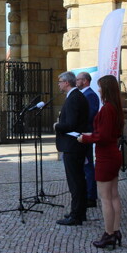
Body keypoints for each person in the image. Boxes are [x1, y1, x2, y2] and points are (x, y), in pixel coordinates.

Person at [78, 75, 124, 249]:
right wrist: (90, 135)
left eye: (100, 87)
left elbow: (102, 136)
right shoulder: (116, 108)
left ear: (106, 89)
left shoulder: (107, 109)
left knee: (105, 198)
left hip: (106, 156)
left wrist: (85, 139)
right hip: (114, 153)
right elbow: (111, 134)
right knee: (114, 195)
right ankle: (116, 230)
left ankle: (109, 234)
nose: (99, 90)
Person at [53, 71, 89, 226]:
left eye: (60, 82)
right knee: (77, 180)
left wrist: (57, 126)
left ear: (67, 82)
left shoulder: (74, 98)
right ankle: (79, 212)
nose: (59, 84)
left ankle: (76, 215)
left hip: (73, 146)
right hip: (74, 145)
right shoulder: (75, 96)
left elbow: (72, 124)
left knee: (76, 182)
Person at [76, 72, 100, 208]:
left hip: (86, 134)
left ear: (85, 81)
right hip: (81, 134)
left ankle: (91, 196)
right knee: (84, 165)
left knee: (88, 165)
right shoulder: (83, 95)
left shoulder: (90, 95)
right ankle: (86, 193)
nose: (76, 81)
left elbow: (90, 115)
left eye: (78, 79)